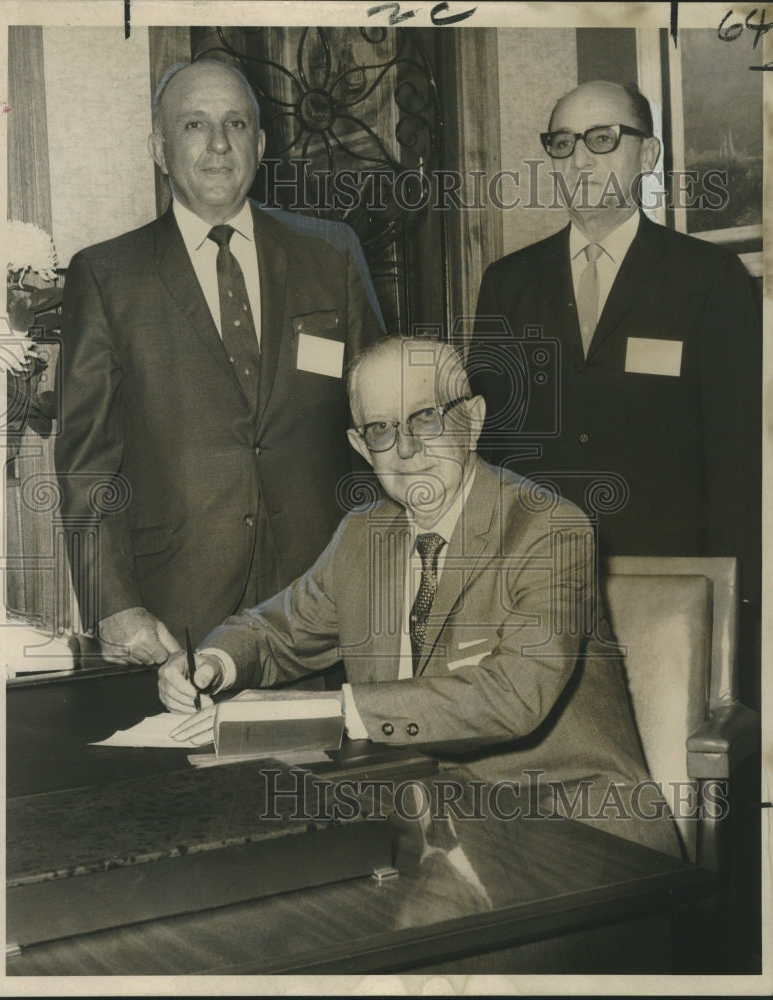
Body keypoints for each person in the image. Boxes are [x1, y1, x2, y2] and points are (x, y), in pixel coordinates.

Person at [160, 336, 681, 857]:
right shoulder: (364, 535)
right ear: (362, 447)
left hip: (570, 827)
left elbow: (513, 697)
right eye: (382, 429)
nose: (406, 448)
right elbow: (277, 630)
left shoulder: (548, 528)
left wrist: (334, 708)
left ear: (473, 420)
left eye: (427, 418)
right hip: (420, 824)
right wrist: (213, 661)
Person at [54, 59, 384, 665]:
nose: (218, 145)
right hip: (175, 614)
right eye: (194, 126)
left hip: (323, 602)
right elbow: (87, 464)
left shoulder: (330, 254)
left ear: (259, 144)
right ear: (159, 148)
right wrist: (113, 604)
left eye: (236, 123)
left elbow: (380, 428)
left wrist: (385, 573)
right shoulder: (106, 276)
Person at [466, 80, 761, 701]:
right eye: (563, 142)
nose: (580, 159)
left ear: (647, 156)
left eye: (603, 139)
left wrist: (730, 622)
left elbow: (740, 471)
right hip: (541, 601)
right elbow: (489, 461)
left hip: (673, 596)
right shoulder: (507, 285)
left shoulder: (710, 280)